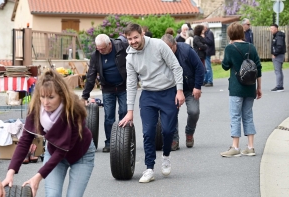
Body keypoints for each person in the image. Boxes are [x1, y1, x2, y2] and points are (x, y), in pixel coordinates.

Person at [2, 69, 95, 197]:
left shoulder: (73, 112)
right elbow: (25, 141)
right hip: (54, 151)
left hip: (81, 155)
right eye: (42, 96)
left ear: (61, 95)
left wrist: (37, 177)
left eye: (51, 97)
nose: (45, 102)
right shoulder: (36, 108)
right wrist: (10, 173)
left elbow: (62, 151)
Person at [119, 23, 185, 183]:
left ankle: (166, 156)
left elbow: (176, 67)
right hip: (148, 95)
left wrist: (180, 90)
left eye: (135, 37)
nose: (133, 41)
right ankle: (149, 168)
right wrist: (129, 111)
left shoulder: (158, 45)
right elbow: (131, 84)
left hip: (168, 92)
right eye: (129, 39)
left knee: (168, 131)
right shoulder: (130, 57)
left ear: (142, 34)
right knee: (148, 133)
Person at [220, 22, 262, 157]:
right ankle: (250, 147)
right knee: (248, 115)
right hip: (250, 87)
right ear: (242, 33)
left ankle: (235, 147)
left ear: (230, 34)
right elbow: (259, 68)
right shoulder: (251, 47)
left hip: (236, 88)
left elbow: (225, 66)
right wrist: (259, 87)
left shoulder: (230, 48)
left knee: (235, 116)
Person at [82, 34, 128, 152]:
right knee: (109, 117)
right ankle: (109, 142)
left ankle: (124, 141)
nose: (100, 51)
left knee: (124, 112)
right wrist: (85, 95)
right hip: (108, 89)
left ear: (109, 44)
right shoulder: (95, 56)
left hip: (123, 87)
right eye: (98, 48)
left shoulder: (122, 47)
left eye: (102, 48)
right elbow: (91, 75)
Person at [161, 34, 204, 150]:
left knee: (194, 111)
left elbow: (199, 67)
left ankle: (189, 133)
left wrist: (197, 87)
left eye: (169, 48)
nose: (167, 51)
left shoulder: (186, 50)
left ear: (175, 44)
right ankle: (174, 139)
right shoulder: (160, 54)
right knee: (171, 113)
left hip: (190, 87)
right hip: (172, 89)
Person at [270, 23, 286, 92]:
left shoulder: (278, 36)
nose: (271, 30)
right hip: (279, 55)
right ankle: (280, 85)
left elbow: (280, 46)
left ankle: (279, 86)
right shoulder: (277, 35)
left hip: (278, 56)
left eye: (272, 28)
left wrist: (275, 53)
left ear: (276, 29)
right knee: (279, 71)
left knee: (278, 71)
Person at [202, 22, 215, 87]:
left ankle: (209, 81)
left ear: (205, 27)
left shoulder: (209, 33)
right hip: (206, 51)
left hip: (208, 51)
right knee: (205, 67)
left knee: (208, 67)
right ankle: (206, 80)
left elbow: (210, 41)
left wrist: (204, 38)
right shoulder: (207, 33)